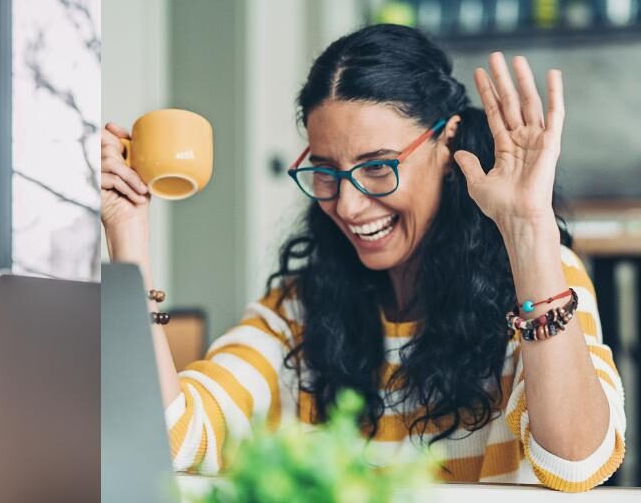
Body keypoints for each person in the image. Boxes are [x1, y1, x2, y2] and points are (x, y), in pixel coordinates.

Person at [101, 25, 627, 490]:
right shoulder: (297, 309)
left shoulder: (537, 282)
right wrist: (128, 235)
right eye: (326, 171)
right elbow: (172, 442)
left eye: (377, 168)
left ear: (446, 145)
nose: (348, 205)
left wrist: (527, 232)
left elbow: (577, 465)